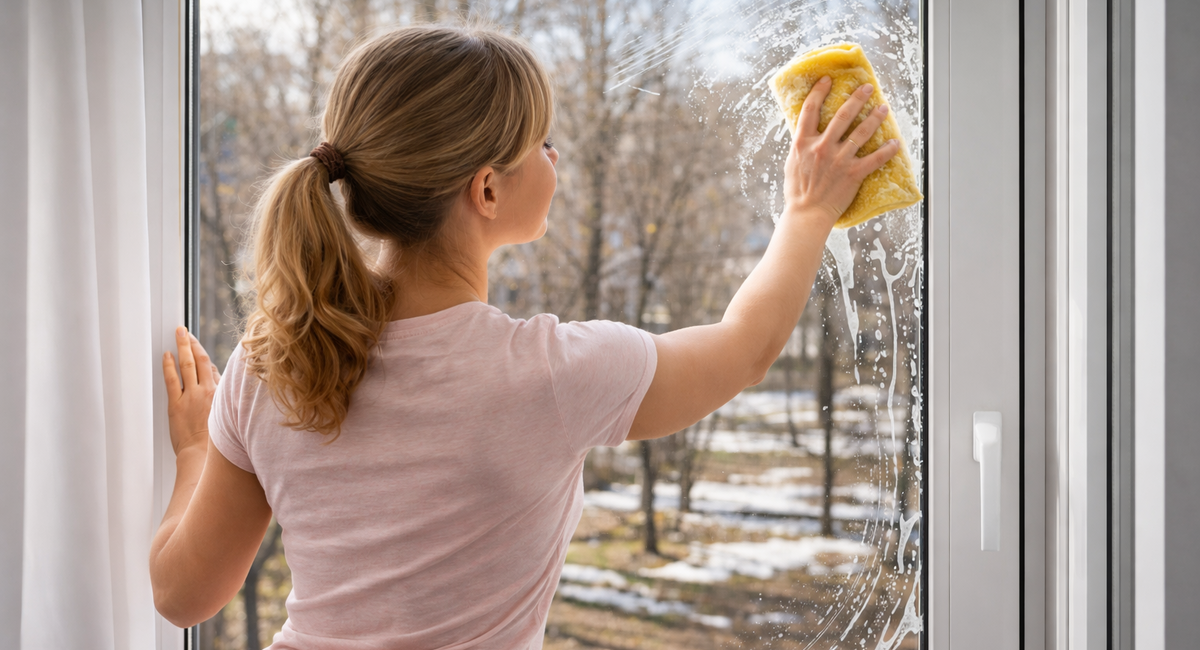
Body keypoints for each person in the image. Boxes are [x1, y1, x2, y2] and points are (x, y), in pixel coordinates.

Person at [149, 24, 898, 650]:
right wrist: (806, 211)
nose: (557, 158)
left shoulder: (270, 361)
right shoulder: (550, 376)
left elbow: (183, 595)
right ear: (486, 190)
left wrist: (192, 454)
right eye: (543, 143)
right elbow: (745, 347)